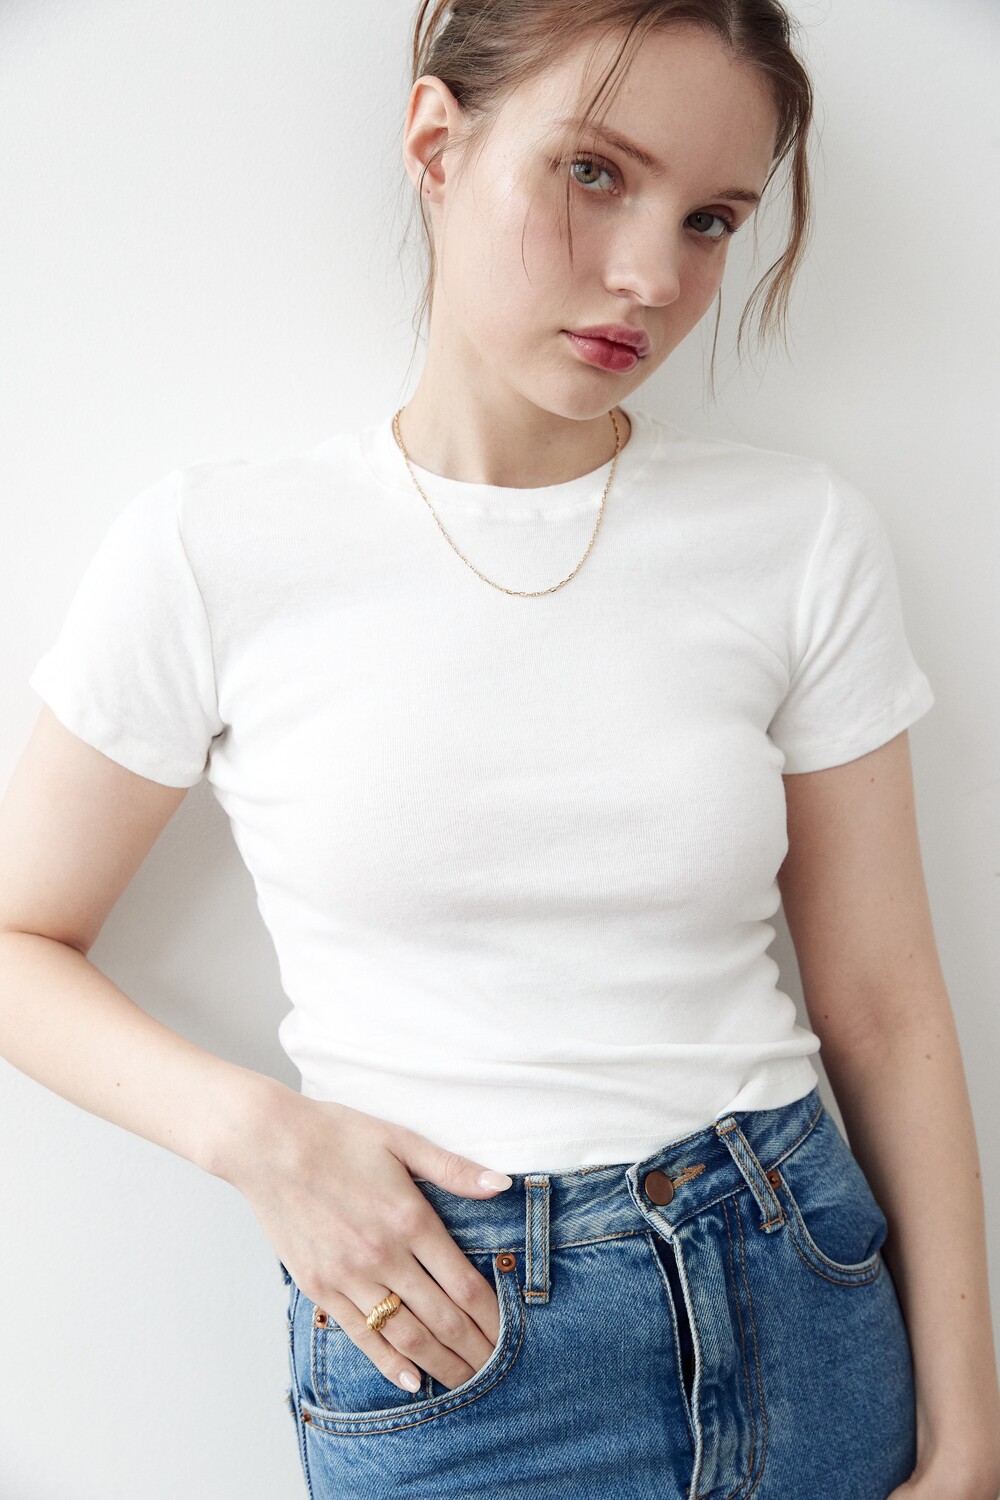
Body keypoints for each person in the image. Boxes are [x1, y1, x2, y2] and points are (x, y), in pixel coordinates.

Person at [1, 1, 998, 1496]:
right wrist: (261, 1138)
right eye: (595, 172)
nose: (653, 276)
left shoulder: (800, 538)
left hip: (796, 1283)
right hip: (446, 1345)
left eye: (712, 219)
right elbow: (17, 937)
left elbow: (884, 1006)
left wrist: (971, 1436)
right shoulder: (216, 548)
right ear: (436, 143)